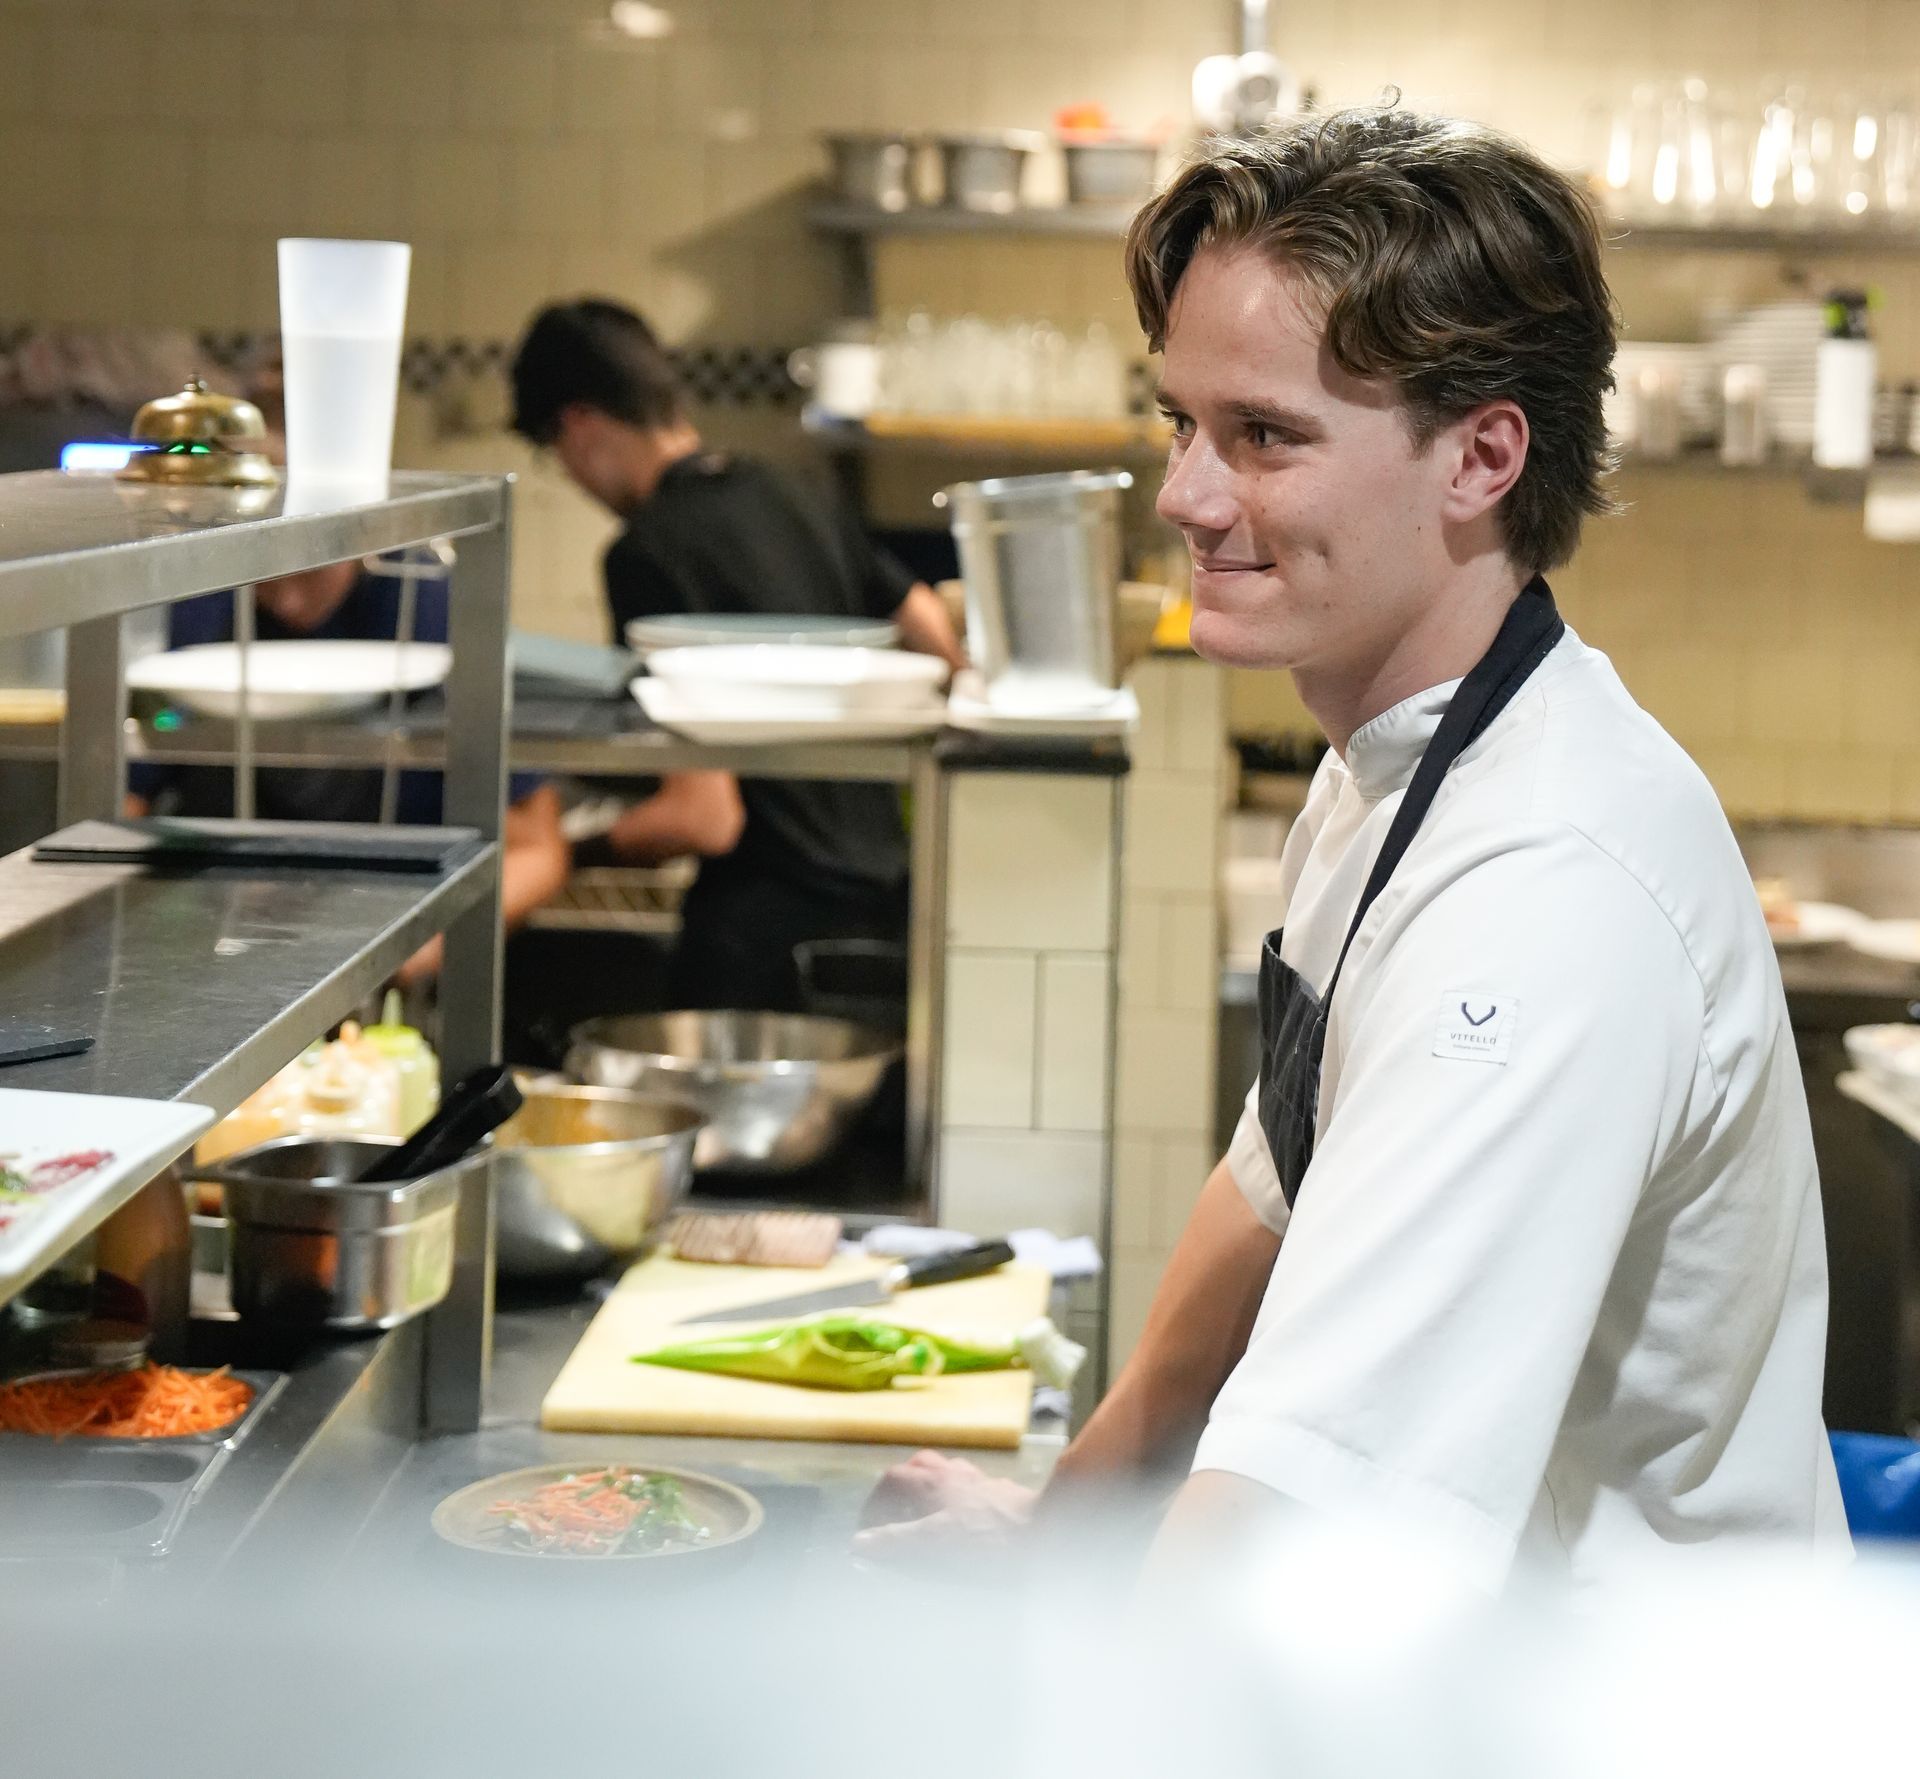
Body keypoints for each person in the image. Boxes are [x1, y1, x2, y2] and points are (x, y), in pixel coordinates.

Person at [857, 107, 1848, 1592]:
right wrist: (1074, 1511)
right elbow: (1274, 1181)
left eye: (1264, 436)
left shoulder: (1546, 898)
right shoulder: (1392, 764)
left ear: (1482, 456)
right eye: (1179, 423)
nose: (1185, 496)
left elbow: (1301, 1544)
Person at [508, 299, 965, 1013]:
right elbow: (930, 625)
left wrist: (570, 849)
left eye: (555, 454)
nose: (570, 475)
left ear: (580, 424)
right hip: (891, 917)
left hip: (764, 948)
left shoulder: (646, 551)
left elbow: (702, 817)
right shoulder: (796, 490)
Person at [127, 557, 571, 985]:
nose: (287, 600)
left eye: (309, 569)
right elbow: (127, 804)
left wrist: (409, 956)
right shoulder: (200, 602)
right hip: (213, 954)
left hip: (392, 961)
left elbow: (534, 850)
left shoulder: (431, 604)